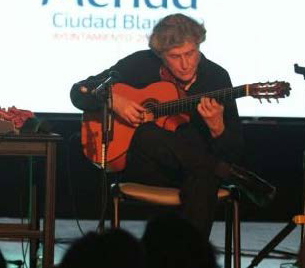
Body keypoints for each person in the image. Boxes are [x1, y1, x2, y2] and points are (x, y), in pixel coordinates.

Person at [70, 13, 275, 237]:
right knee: (147, 133)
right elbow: (79, 91)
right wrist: (113, 99)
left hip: (195, 171)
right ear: (160, 56)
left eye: (190, 53)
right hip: (148, 168)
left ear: (199, 46)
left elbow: (234, 149)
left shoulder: (216, 77)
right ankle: (232, 176)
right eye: (175, 57)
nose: (186, 64)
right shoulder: (140, 64)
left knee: (203, 175)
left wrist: (218, 128)